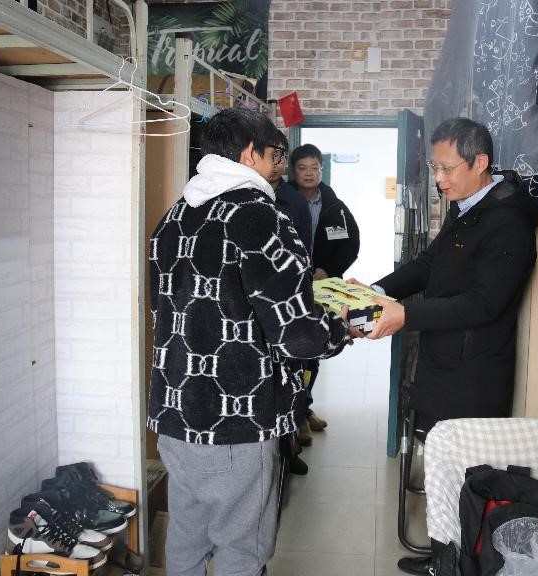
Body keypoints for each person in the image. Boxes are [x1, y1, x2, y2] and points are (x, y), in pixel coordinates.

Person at [147, 108, 351, 576]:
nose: (280, 165)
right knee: (242, 549)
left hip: (175, 413)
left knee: (187, 538)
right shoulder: (258, 216)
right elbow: (298, 336)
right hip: (236, 417)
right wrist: (342, 326)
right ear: (247, 153)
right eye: (276, 154)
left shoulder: (175, 216)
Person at [353, 117, 538, 576]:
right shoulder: (467, 208)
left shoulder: (508, 222)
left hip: (473, 374)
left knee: (466, 474)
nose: (439, 179)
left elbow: (484, 303)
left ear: (480, 162)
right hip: (443, 361)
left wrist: (406, 315)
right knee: (440, 464)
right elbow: (427, 265)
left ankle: (460, 565)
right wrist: (376, 291)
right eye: (434, 168)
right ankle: (443, 558)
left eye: (447, 168)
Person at [289, 144, 361, 439]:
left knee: (314, 348)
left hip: (322, 288)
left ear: (321, 169)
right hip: (288, 286)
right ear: (293, 171)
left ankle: (305, 410)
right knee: (290, 351)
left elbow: (351, 245)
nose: (309, 173)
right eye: (302, 168)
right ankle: (294, 416)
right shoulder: (283, 201)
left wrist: (327, 270)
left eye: (314, 167)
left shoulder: (335, 207)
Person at [268, 129, 312, 475]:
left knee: (291, 376)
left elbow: (303, 255)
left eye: (281, 156)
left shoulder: (295, 203)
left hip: (288, 300)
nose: (277, 163)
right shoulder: (245, 197)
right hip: (255, 306)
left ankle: (290, 446)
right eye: (272, 155)